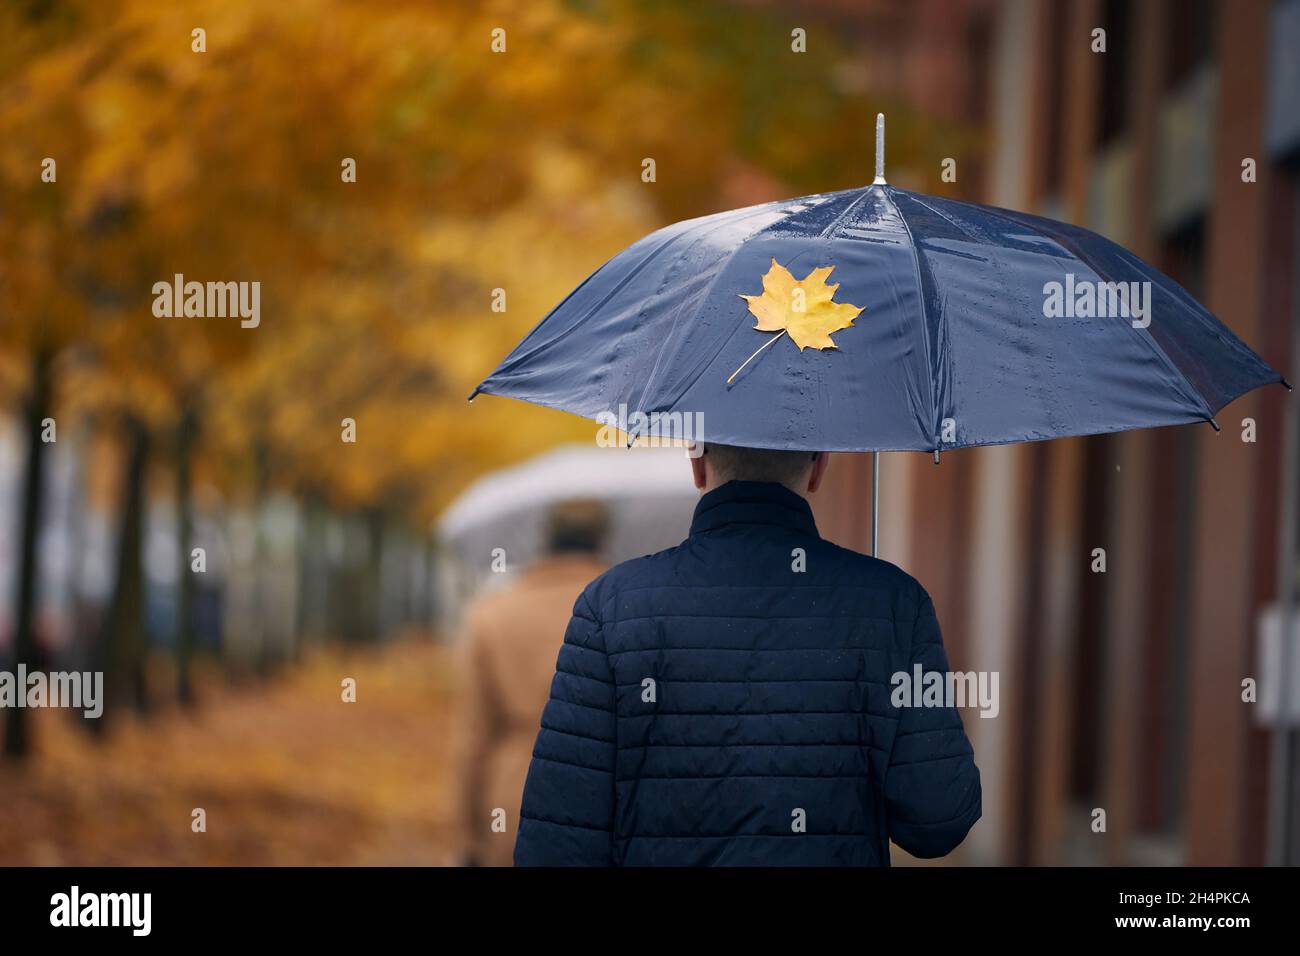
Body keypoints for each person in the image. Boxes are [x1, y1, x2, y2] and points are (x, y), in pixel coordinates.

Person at [514, 444, 981, 866]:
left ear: (696, 463)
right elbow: (938, 818)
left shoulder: (611, 606)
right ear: (819, 467)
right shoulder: (895, 605)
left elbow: (556, 843)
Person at [454, 498, 609, 866]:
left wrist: (468, 839)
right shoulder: (625, 609)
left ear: (547, 540)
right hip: (602, 795)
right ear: (602, 539)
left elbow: (473, 738)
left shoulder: (493, 614)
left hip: (513, 799)